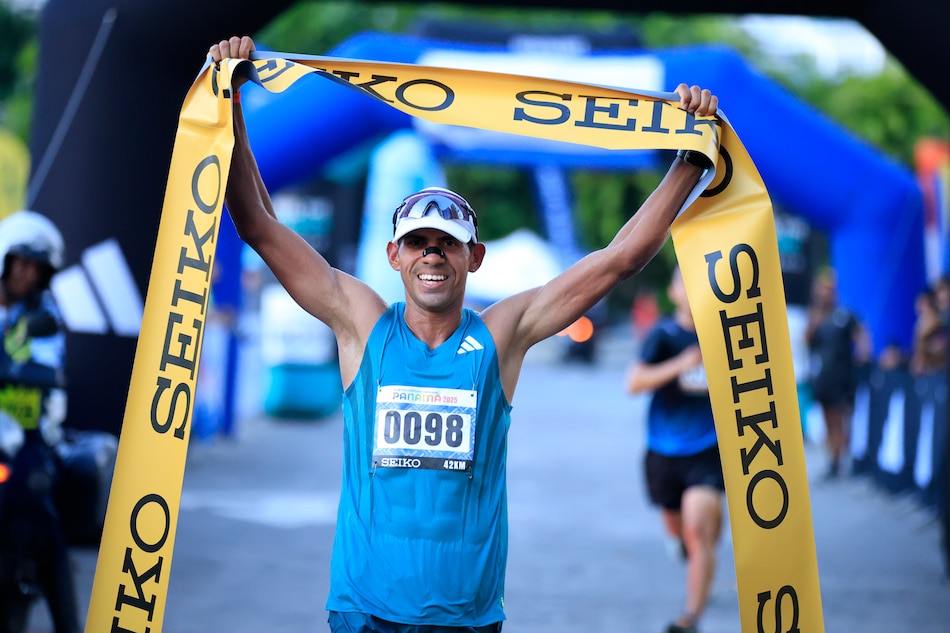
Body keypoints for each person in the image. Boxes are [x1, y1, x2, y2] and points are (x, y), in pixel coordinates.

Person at [210, 35, 720, 633]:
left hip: (466, 617)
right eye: (419, 243)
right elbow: (259, 226)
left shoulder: (502, 333)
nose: (433, 254)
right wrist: (234, 106)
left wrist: (689, 158)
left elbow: (618, 260)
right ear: (394, 255)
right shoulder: (361, 322)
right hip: (365, 608)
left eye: (447, 243)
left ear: (473, 257)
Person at [625, 266, 724, 633]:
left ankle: (690, 618)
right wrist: (683, 363)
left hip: (708, 450)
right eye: (686, 282)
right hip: (663, 452)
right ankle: (690, 546)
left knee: (698, 530)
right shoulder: (663, 336)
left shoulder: (724, 334)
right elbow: (634, 382)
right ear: (673, 291)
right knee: (683, 536)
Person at [0, 210, 79, 633]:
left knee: (41, 514)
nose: (27, 274)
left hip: (26, 441)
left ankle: (68, 623)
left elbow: (48, 365)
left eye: (37, 268)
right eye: (21, 263)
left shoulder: (45, 317)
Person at [804, 269, 870, 479]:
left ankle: (840, 458)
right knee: (827, 419)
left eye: (828, 290)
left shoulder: (844, 315)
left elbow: (861, 333)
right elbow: (806, 340)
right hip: (823, 376)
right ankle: (833, 458)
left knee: (841, 417)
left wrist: (863, 353)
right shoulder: (815, 317)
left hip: (842, 376)